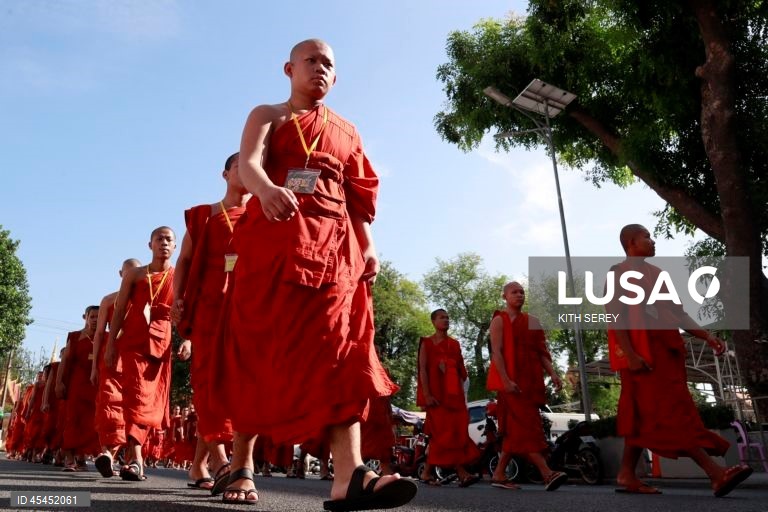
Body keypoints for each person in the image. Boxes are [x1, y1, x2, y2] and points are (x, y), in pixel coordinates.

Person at [217, 38, 414, 510]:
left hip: (334, 253)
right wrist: (263, 190)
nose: (320, 69)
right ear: (289, 68)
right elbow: (248, 162)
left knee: (342, 354)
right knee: (260, 352)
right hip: (273, 249)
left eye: (328, 64)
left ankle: (350, 476)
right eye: (311, 61)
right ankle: (242, 461)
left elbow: (358, 196)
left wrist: (368, 247)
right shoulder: (268, 114)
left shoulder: (346, 130)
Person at [605, 224, 752, 497]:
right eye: (646, 237)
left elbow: (679, 314)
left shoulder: (658, 275)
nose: (653, 240)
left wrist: (707, 337)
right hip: (642, 358)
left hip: (666, 354)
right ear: (630, 243)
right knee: (669, 415)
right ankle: (715, 473)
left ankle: (626, 473)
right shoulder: (618, 274)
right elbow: (615, 317)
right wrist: (632, 355)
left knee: (645, 417)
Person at [171, 151, 248, 491]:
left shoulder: (263, 212)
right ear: (225, 174)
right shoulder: (204, 217)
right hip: (208, 309)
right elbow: (185, 260)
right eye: (239, 166)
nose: (247, 171)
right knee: (207, 382)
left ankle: (198, 464)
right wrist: (178, 298)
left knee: (238, 385)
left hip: (248, 309)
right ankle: (220, 460)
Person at [105, 226, 176, 482]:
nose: (164, 243)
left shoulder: (179, 276)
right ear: (150, 245)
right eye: (159, 239)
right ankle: (135, 457)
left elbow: (186, 310)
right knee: (136, 397)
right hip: (134, 341)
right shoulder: (135, 275)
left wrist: (187, 340)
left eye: (169, 239)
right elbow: (120, 307)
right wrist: (111, 344)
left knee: (152, 402)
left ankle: (134, 456)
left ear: (175, 246)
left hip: (162, 342)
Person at [487, 282, 567, 491]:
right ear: (505, 296)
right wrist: (505, 380)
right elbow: (497, 353)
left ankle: (499, 473)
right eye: (514, 292)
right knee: (527, 428)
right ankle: (546, 473)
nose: (519, 295)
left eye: (522, 292)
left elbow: (542, 352)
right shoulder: (499, 321)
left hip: (530, 383)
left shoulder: (533, 321)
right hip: (510, 384)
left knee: (516, 431)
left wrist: (553, 373)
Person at [416, 309, 481, 487]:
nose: (446, 320)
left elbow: (463, 373)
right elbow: (422, 370)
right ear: (433, 321)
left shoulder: (454, 344)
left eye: (448, 317)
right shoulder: (426, 343)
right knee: (443, 434)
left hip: (454, 397)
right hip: (436, 397)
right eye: (442, 317)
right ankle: (462, 473)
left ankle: (428, 472)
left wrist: (450, 368)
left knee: (455, 433)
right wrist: (427, 395)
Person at [91, 258, 142, 478]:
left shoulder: (143, 299)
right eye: (126, 273)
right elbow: (99, 334)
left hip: (136, 359)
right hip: (111, 358)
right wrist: (94, 366)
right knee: (109, 406)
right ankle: (107, 453)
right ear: (120, 274)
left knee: (135, 409)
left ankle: (132, 460)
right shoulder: (108, 301)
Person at [57, 305, 102, 471]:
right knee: (73, 419)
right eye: (92, 317)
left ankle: (82, 455)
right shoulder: (75, 337)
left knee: (90, 422)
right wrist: (59, 382)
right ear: (86, 318)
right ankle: (69, 458)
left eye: (99, 316)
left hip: (95, 385)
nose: (96, 320)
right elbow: (65, 361)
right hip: (76, 383)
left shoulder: (104, 337)